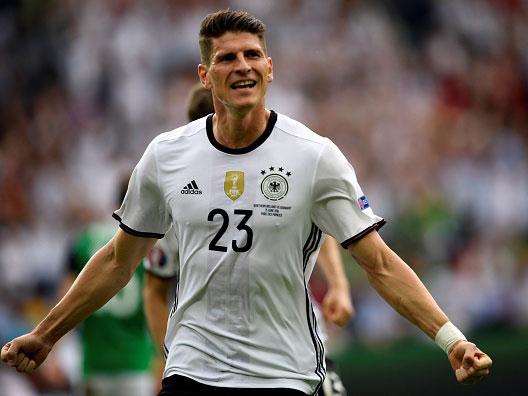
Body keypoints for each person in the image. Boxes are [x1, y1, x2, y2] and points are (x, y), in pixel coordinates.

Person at [1, 9, 492, 396]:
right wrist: (46, 335)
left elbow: (380, 263)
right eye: (228, 58)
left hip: (282, 372)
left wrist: (451, 340)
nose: (243, 66)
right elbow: (115, 261)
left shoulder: (314, 157)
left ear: (270, 68)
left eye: (253, 55)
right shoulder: (166, 156)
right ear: (205, 74)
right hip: (193, 368)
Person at [142, 84, 351, 396]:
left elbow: (316, 221)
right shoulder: (179, 196)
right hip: (207, 364)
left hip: (288, 354)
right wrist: (168, 356)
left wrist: (338, 284)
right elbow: (154, 287)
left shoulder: (274, 173)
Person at [60, 176, 156, 396]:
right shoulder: (151, 242)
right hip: (136, 362)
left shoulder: (84, 239)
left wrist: (55, 348)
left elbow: (64, 298)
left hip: (93, 362)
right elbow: (156, 299)